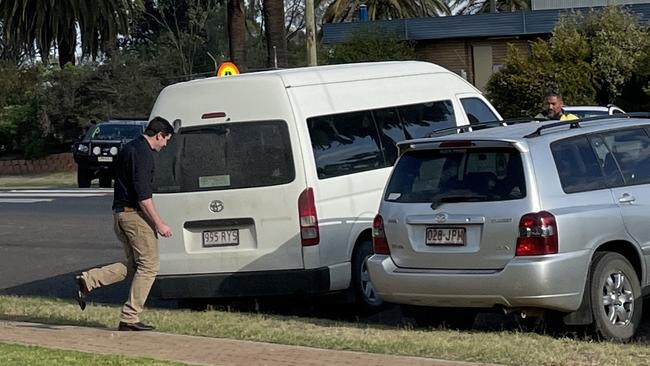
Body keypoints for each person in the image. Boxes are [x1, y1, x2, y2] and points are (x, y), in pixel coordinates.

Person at [75, 116, 174, 331]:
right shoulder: (143, 154)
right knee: (149, 266)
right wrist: (159, 224)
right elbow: (143, 195)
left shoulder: (129, 148)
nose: (165, 144)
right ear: (159, 135)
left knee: (135, 266)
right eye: (166, 139)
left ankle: (88, 280)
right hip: (134, 216)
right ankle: (130, 317)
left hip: (119, 214)